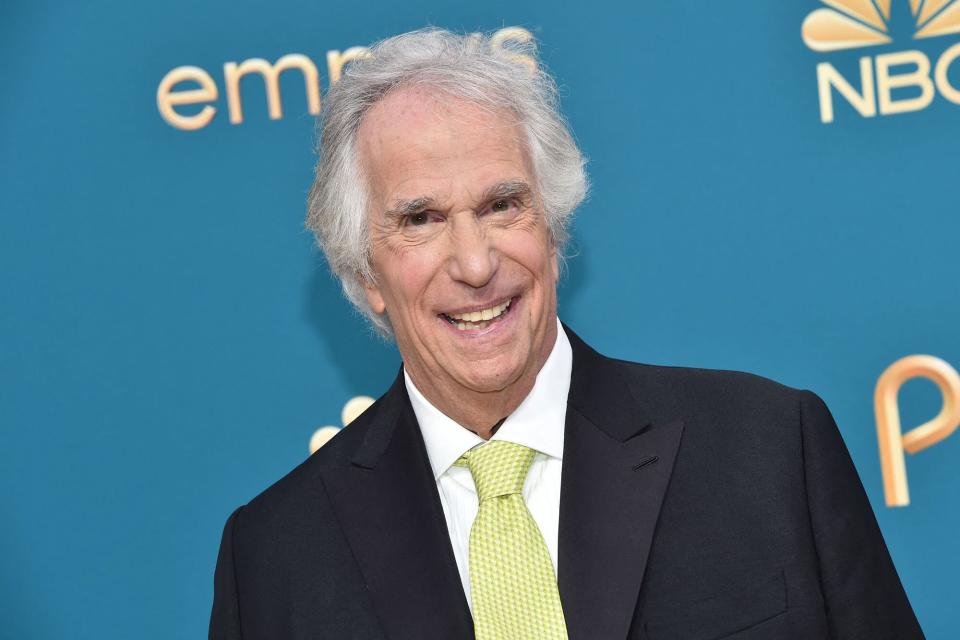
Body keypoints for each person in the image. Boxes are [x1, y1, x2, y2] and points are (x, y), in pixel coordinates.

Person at [209, 28, 923, 640]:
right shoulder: (275, 558)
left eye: (502, 204)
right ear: (365, 272)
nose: (476, 262)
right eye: (421, 219)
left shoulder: (768, 449)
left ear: (553, 228)